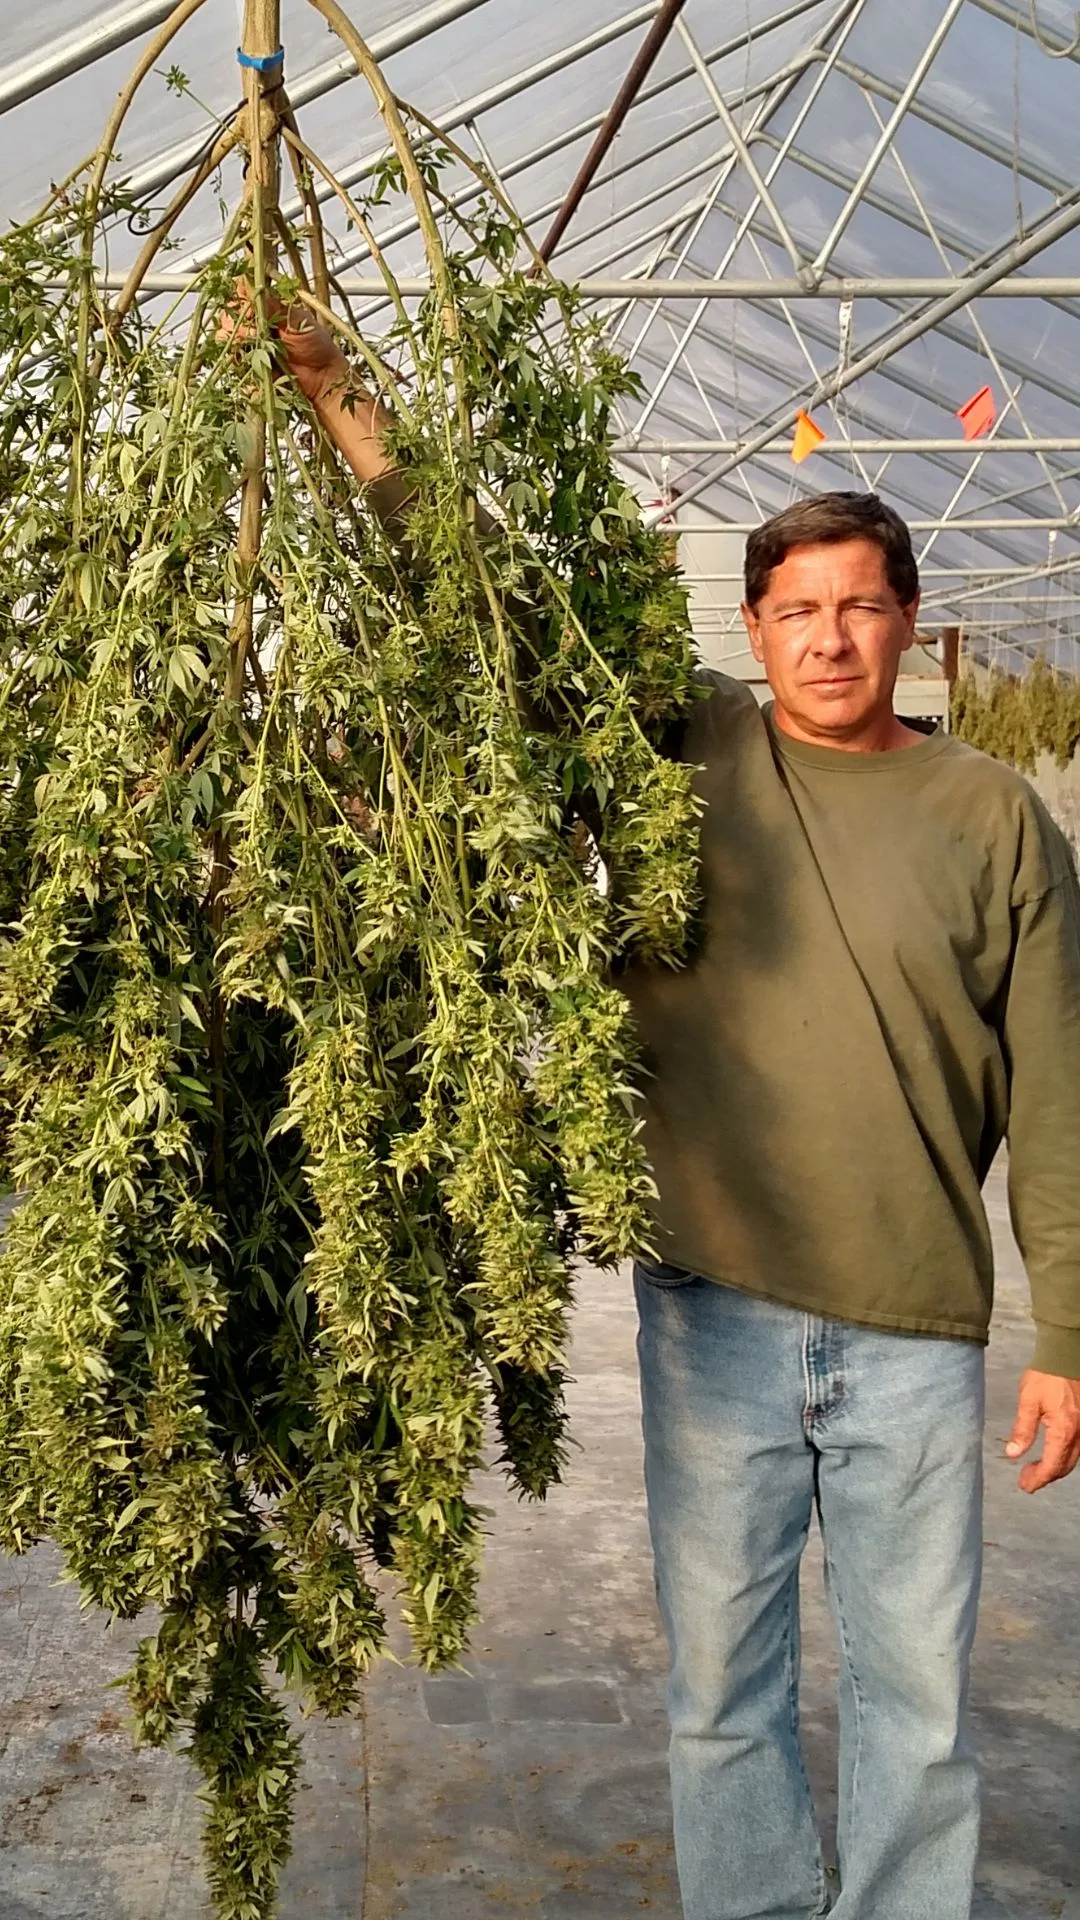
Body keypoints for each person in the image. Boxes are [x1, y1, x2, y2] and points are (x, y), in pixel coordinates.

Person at [270, 309, 1080, 1920]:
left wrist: (1067, 1326)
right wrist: (348, 407)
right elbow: (495, 606)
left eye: (860, 608)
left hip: (917, 1324)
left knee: (921, 1718)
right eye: (796, 612)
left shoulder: (992, 814)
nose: (828, 639)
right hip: (713, 1308)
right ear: (754, 628)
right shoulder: (676, 752)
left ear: (914, 626)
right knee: (724, 1693)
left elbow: (1059, 1086)